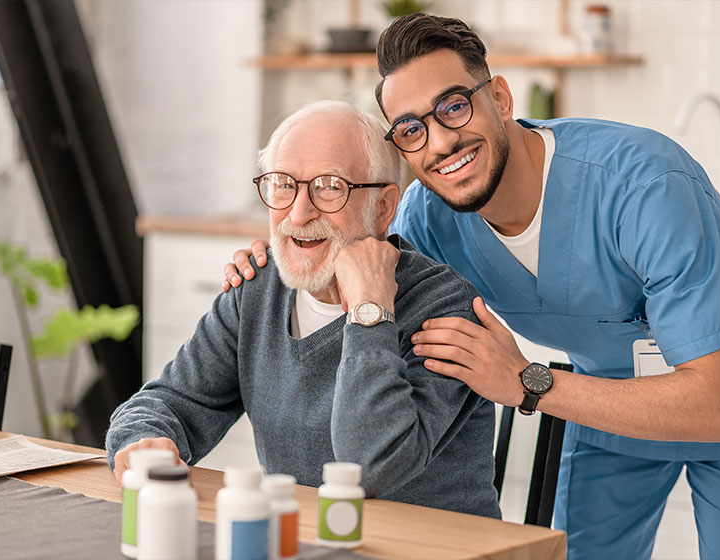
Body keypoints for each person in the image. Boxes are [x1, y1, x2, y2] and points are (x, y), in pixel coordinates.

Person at [222, 13, 720, 560]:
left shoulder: (645, 186)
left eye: (454, 106)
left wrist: (527, 383)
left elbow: (719, 406)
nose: (441, 142)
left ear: (500, 99)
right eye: (413, 129)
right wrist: (276, 256)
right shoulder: (429, 217)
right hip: (607, 398)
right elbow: (352, 245)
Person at [106, 100, 501, 519]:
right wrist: (142, 440)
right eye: (282, 184)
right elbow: (169, 402)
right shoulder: (256, 290)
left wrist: (369, 310)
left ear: (383, 207)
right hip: (303, 544)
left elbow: (369, 467)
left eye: (330, 186)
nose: (298, 212)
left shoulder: (442, 305)